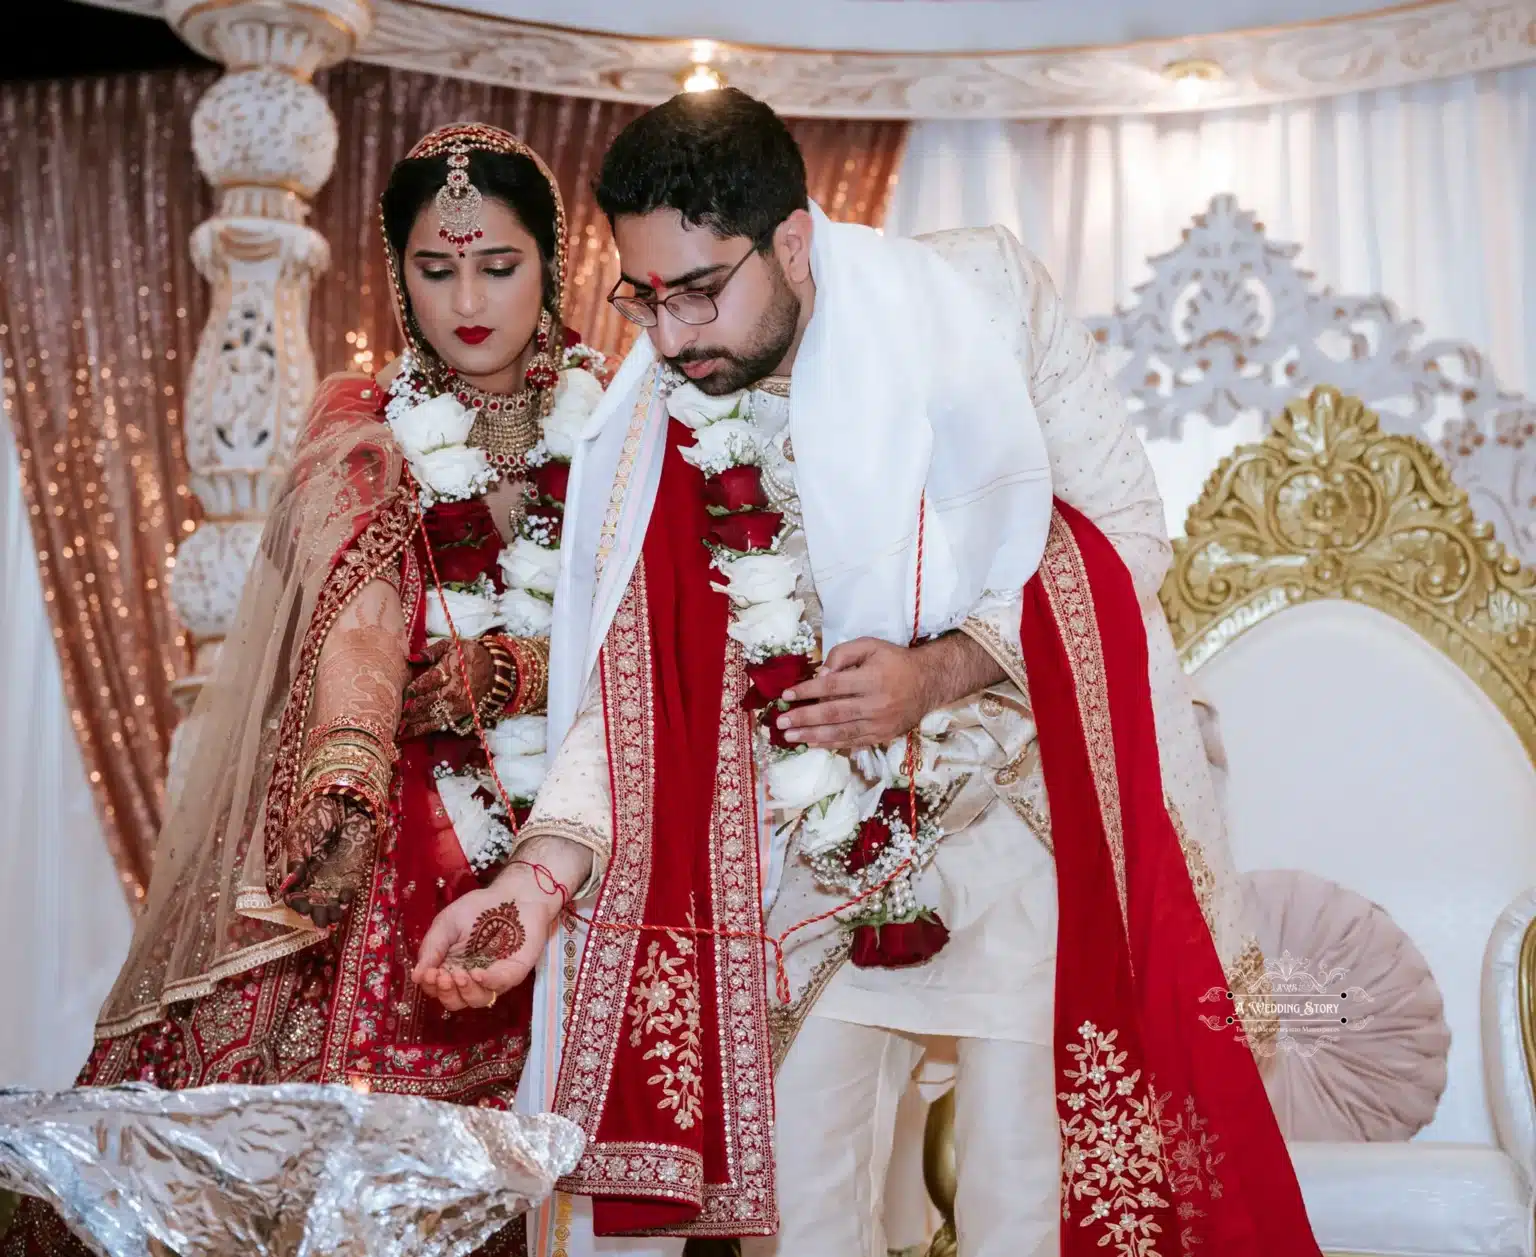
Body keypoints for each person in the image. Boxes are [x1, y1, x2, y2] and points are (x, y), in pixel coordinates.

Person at [414, 89, 1319, 1257]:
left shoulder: (981, 301)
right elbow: (633, 706)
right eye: (644, 296)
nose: (673, 336)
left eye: (700, 292)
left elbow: (1127, 531)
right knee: (802, 1212)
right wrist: (533, 887)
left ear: (791, 241)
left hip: (1025, 825)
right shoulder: (661, 422)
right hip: (804, 863)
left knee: (1023, 1203)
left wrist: (937, 674)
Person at [2, 122, 608, 1257]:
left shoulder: (622, 428)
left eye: (498, 263)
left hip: (587, 811)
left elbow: (652, 640)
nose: (467, 298)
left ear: (552, 266)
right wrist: (345, 778)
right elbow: (357, 629)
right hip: (390, 819)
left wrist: (517, 670)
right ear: (396, 276)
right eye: (435, 269)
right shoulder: (362, 437)